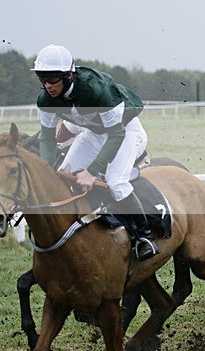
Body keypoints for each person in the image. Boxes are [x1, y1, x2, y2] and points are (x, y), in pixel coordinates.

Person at [33, 43, 162, 259]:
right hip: (93, 133)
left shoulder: (96, 90)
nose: (48, 85)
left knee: (115, 181)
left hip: (125, 131)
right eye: (42, 79)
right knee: (61, 174)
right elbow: (47, 137)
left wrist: (92, 171)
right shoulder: (45, 100)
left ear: (69, 75)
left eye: (53, 79)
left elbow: (116, 135)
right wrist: (46, 170)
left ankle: (145, 237)